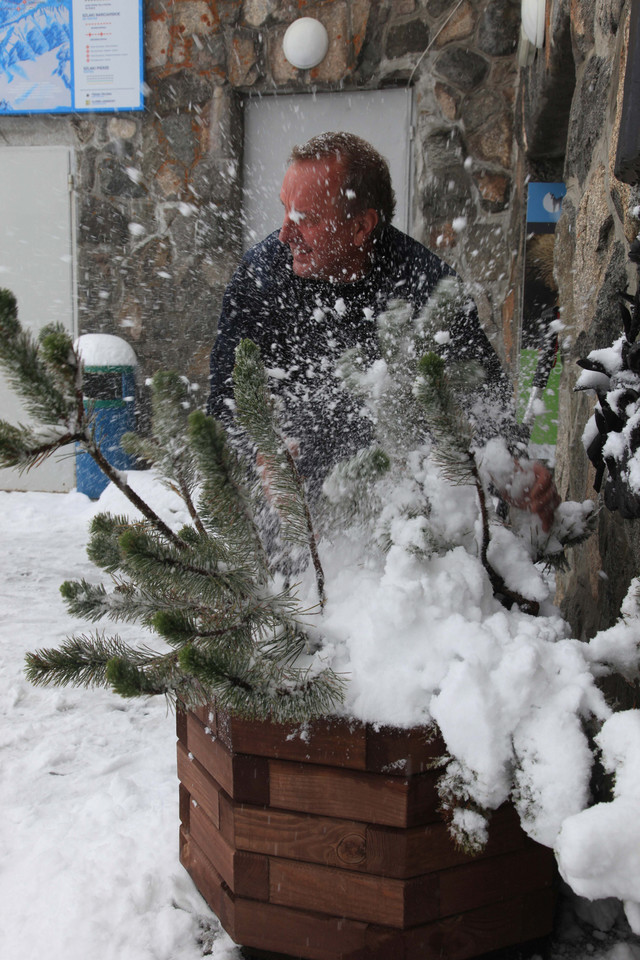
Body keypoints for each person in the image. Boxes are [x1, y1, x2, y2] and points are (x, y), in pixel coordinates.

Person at [207, 132, 558, 529]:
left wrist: (514, 469)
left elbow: (484, 398)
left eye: (306, 218)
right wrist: (259, 454)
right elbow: (224, 405)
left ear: (361, 227)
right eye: (285, 211)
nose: (286, 234)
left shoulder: (427, 288)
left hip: (407, 522)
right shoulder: (260, 279)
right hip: (294, 522)